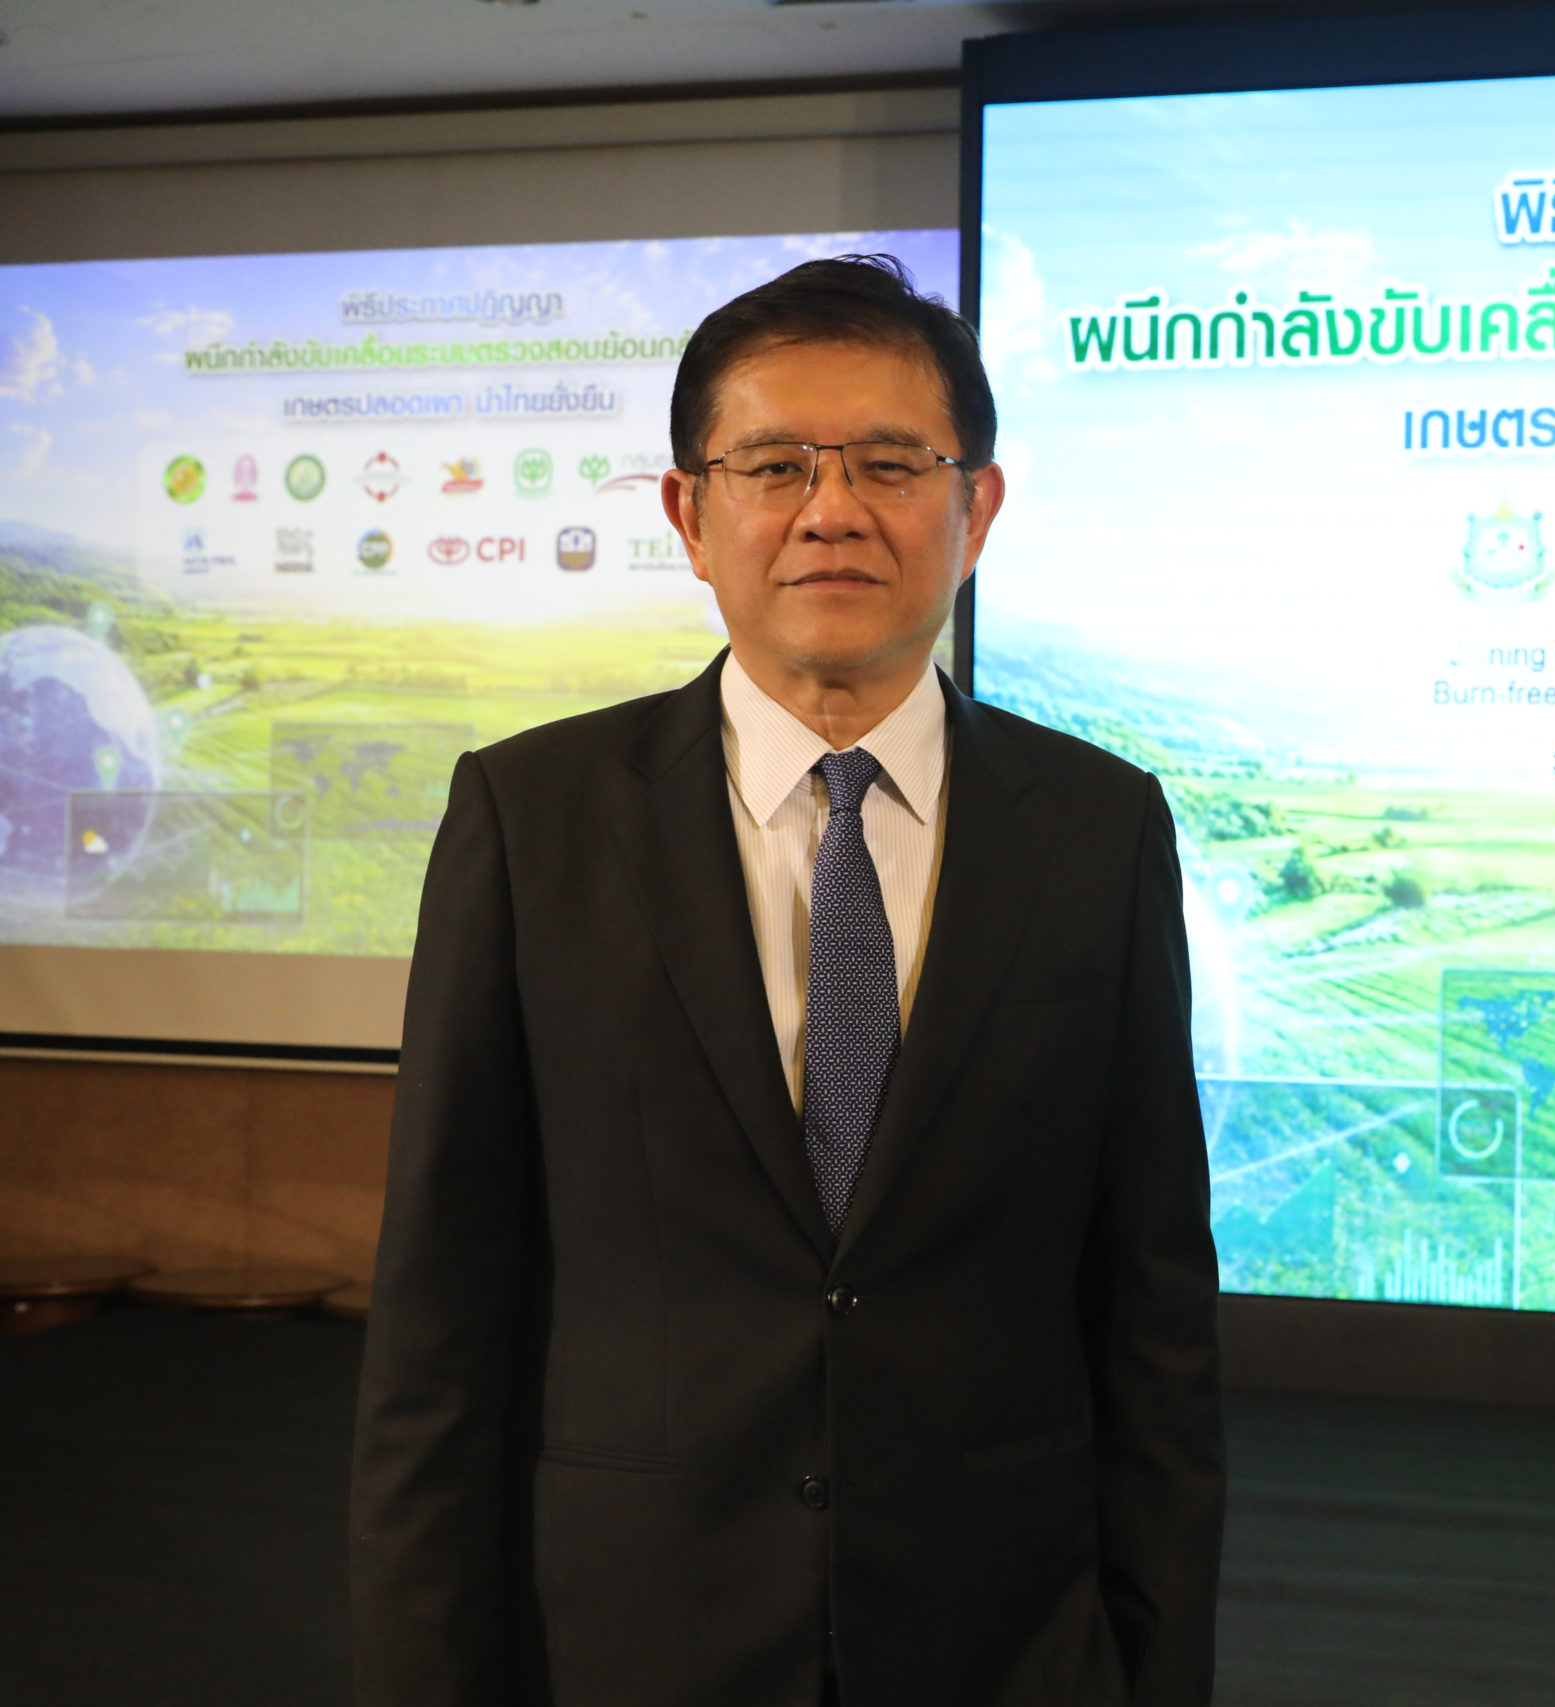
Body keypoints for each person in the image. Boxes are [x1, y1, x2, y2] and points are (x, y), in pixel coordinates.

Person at [350, 255, 1224, 1707]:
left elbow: (1152, 1310)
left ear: (977, 509)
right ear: (690, 516)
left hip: (1005, 1636)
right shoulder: (534, 819)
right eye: (774, 467)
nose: (832, 510)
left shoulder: (1099, 827)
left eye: (890, 463)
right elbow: (441, 1315)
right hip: (630, 1639)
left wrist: (1157, 1665)